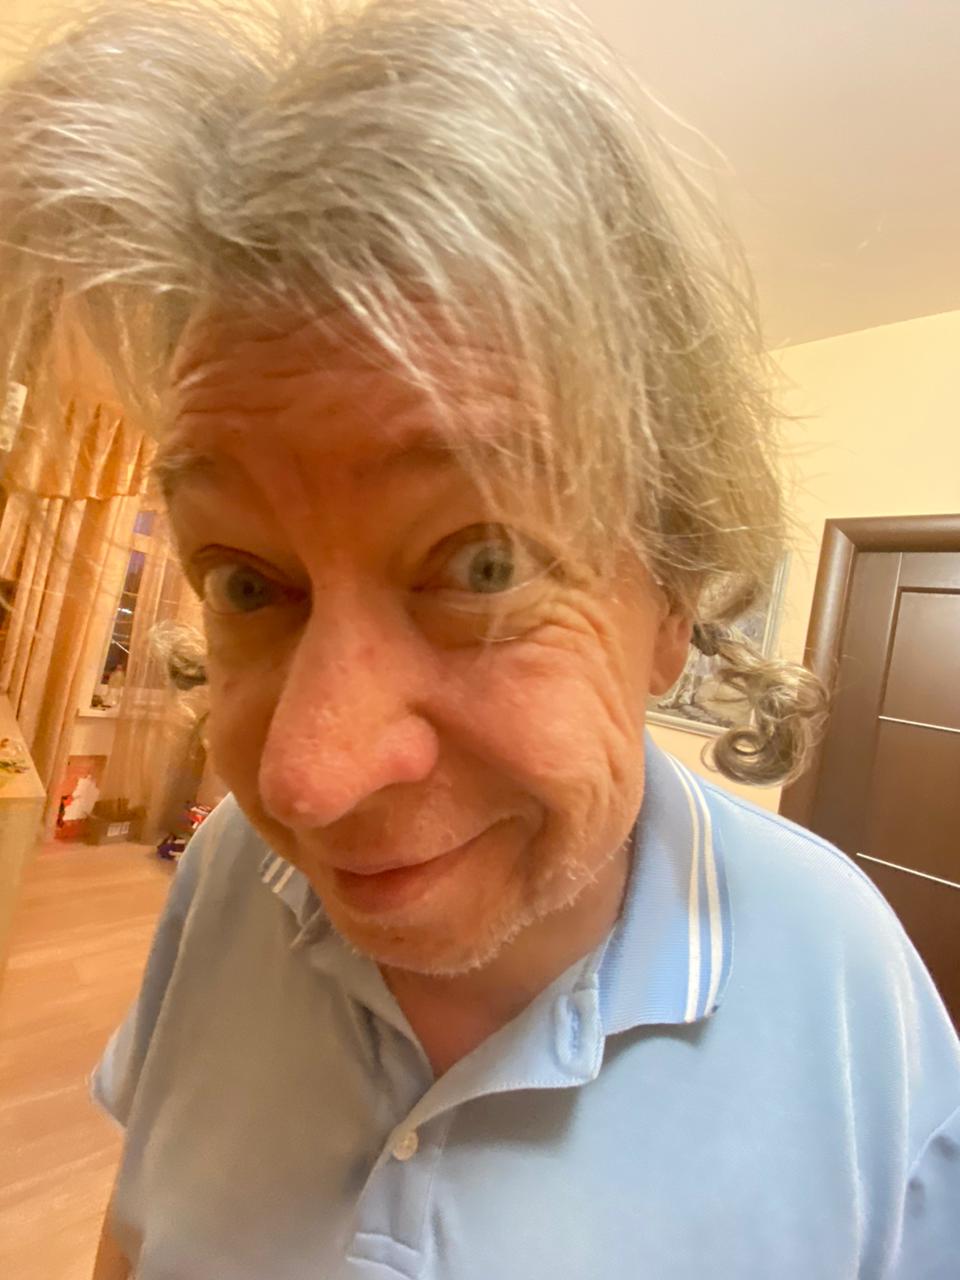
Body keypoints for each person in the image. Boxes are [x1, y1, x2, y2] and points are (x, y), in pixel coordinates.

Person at [1, 2, 957, 1277]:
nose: (305, 778)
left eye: (482, 565)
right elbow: (136, 1229)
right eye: (245, 582)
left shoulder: (849, 987)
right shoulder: (234, 870)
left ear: (673, 600)